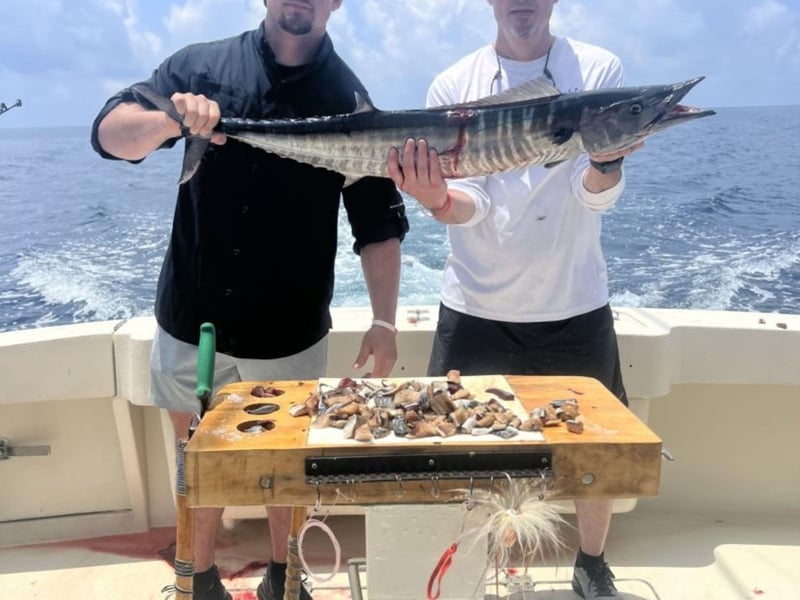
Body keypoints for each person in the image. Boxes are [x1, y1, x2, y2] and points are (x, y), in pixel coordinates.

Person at [91, 1, 408, 599]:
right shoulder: (199, 68)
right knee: (195, 461)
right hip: (191, 318)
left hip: (289, 330)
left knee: (284, 467)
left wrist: (385, 321)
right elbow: (109, 135)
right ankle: (198, 578)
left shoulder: (351, 101)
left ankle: (286, 580)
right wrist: (170, 122)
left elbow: (378, 224)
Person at [386, 1, 644, 598]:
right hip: (474, 305)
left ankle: (592, 563)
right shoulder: (454, 83)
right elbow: (470, 200)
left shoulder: (598, 70)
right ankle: (462, 572)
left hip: (573, 299)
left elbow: (592, 195)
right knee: (456, 446)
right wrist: (435, 199)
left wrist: (607, 160)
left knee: (595, 449)